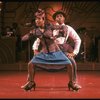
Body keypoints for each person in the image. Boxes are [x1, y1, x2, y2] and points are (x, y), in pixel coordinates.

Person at [21, 8, 80, 92]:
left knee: (71, 62)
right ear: (55, 18)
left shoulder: (53, 26)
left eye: (61, 16)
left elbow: (71, 34)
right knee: (31, 64)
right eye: (36, 19)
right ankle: (30, 82)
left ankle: (73, 82)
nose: (59, 18)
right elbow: (35, 40)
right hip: (45, 51)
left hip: (60, 50)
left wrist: (74, 52)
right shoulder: (37, 30)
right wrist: (34, 48)